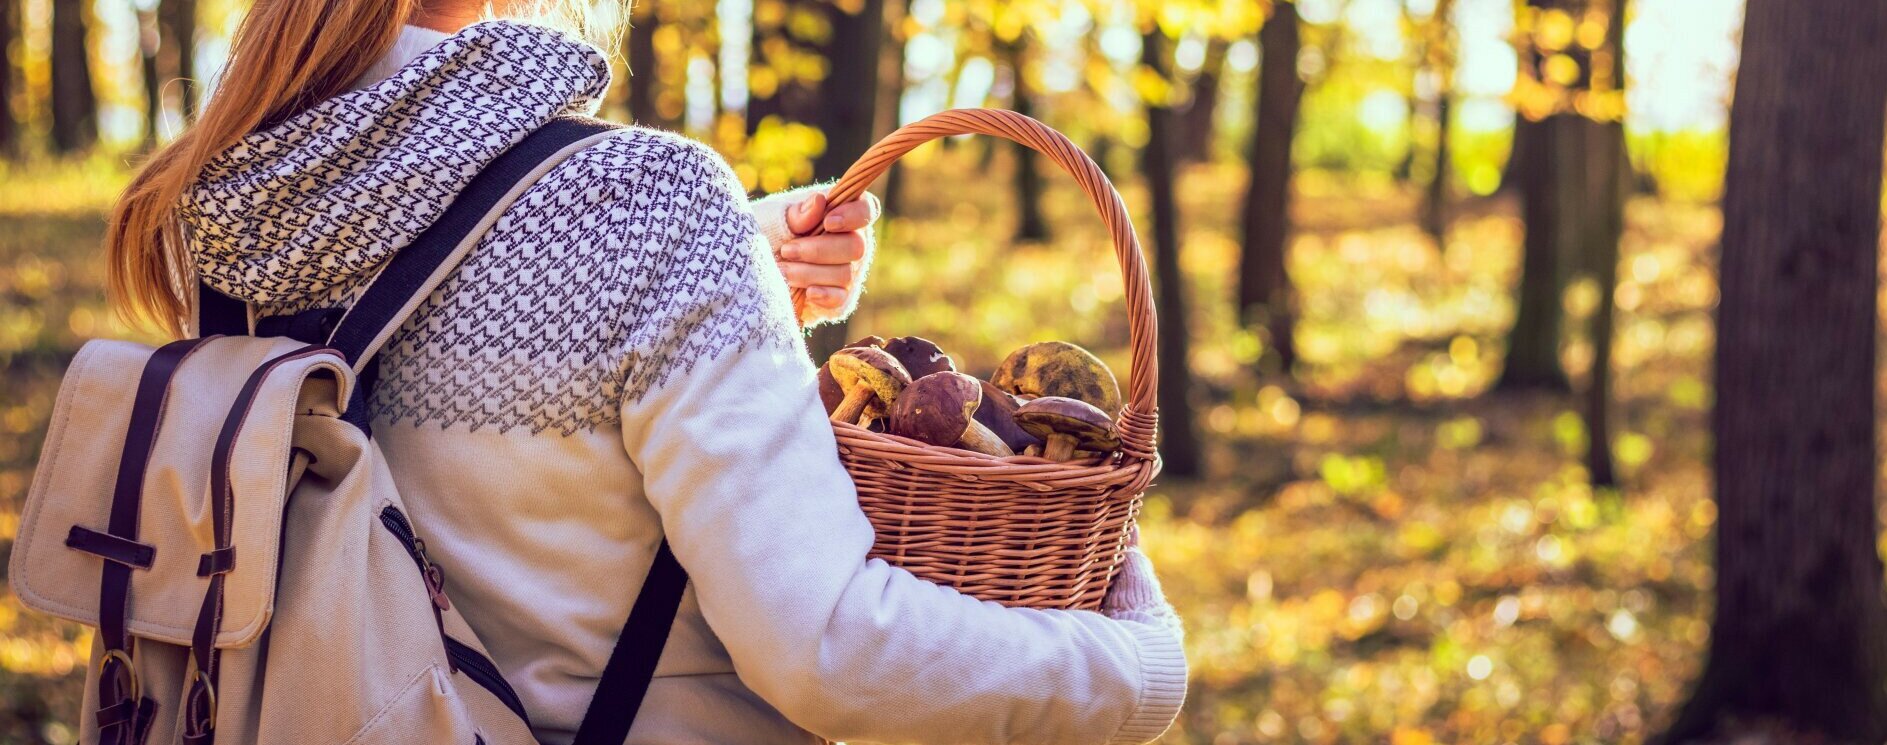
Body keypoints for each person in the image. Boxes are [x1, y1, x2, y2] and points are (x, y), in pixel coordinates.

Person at [104, 1, 1187, 743]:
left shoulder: (238, 201)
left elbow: (425, 351)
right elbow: (827, 647)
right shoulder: (646, 207)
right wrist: (1134, 669)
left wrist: (733, 267)